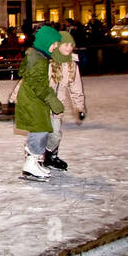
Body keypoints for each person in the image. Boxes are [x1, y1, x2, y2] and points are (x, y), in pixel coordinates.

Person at [14, 25, 65, 182]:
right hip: (32, 100)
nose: (55, 47)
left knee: (41, 129)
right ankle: (30, 164)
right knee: (40, 130)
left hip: (33, 100)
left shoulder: (37, 56)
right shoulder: (38, 60)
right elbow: (39, 85)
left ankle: (33, 162)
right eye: (54, 44)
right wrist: (53, 101)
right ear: (45, 42)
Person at [44, 31, 87, 171]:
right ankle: (35, 160)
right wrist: (16, 97)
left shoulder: (72, 65)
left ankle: (50, 156)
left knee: (55, 135)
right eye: (66, 44)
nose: (69, 48)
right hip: (41, 104)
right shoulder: (46, 62)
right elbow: (28, 81)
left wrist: (79, 107)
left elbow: (76, 88)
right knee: (39, 135)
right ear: (58, 45)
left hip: (57, 107)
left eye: (71, 45)